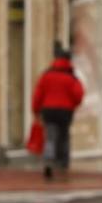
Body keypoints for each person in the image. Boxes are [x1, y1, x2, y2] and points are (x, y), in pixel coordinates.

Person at [31, 45, 84, 180]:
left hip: (49, 110)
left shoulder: (47, 75)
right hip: (65, 111)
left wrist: (36, 110)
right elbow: (79, 94)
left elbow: (38, 94)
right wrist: (72, 105)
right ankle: (63, 163)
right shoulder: (71, 76)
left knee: (50, 137)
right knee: (64, 137)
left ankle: (49, 161)